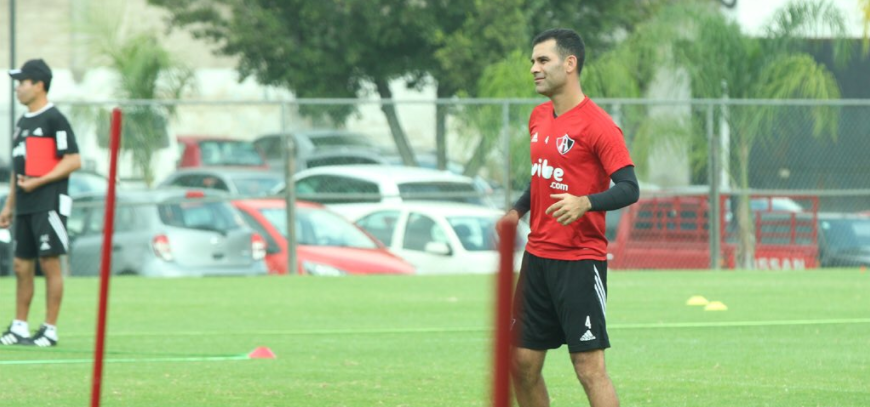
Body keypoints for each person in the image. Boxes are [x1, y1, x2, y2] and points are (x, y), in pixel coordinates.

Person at [499, 29, 639, 407]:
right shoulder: (538, 116)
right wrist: (517, 210)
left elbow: (629, 187)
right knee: (521, 364)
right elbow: (542, 174)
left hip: (579, 261)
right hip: (537, 259)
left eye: (543, 60)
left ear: (570, 64)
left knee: (588, 368)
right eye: (533, 61)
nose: (534, 69)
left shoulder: (599, 125)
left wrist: (586, 203)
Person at [0, 59, 81, 347]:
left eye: (22, 83)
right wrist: (9, 205)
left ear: (39, 85)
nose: (18, 89)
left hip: (50, 203)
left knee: (49, 263)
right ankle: (19, 326)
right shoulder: (22, 123)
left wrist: (39, 181)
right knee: (22, 265)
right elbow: (18, 171)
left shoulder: (54, 119)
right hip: (26, 205)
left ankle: (49, 329)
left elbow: (73, 160)